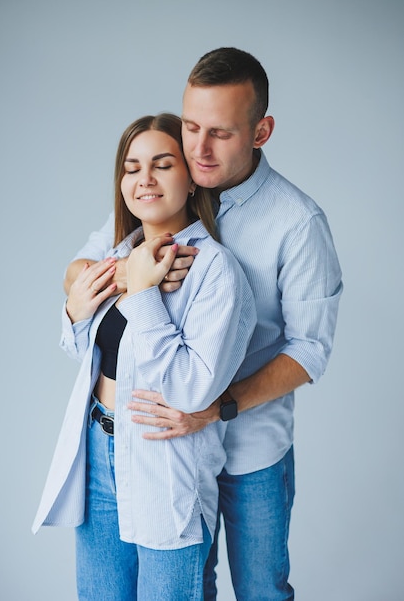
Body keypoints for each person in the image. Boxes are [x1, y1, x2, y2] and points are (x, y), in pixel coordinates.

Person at [63, 48, 343, 601]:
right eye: (191, 127)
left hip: (248, 447)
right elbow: (84, 266)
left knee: (261, 590)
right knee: (189, 586)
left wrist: (219, 405)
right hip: (166, 447)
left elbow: (310, 349)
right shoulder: (170, 182)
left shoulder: (297, 222)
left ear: (261, 131)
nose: (199, 149)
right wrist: (125, 278)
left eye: (221, 133)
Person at [32, 113, 257, 601]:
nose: (144, 179)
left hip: (164, 457)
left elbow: (193, 390)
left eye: (161, 164)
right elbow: (82, 352)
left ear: (190, 176)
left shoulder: (214, 270)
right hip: (97, 448)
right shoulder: (118, 254)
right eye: (131, 168)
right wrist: (75, 307)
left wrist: (143, 295)